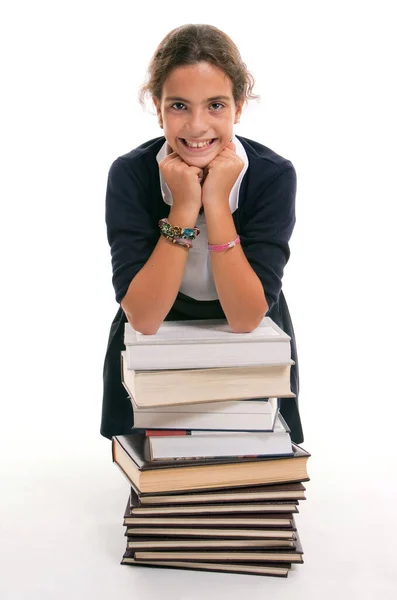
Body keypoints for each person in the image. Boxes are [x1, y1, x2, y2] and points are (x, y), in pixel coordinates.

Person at [101, 23, 304, 444]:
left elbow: (247, 317)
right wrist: (183, 205)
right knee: (161, 455)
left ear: (239, 106)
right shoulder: (131, 175)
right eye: (178, 105)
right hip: (160, 328)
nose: (197, 126)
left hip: (249, 327)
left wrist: (215, 201)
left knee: (250, 450)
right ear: (157, 106)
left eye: (215, 105)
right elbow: (145, 317)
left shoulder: (273, 176)